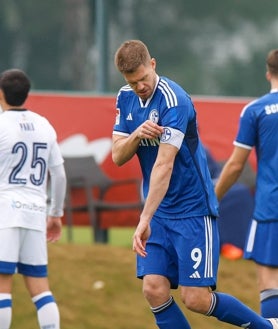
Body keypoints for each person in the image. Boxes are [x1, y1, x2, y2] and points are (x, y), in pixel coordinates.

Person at [112, 39, 278, 329]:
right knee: (153, 289)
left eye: (143, 79)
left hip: (192, 211)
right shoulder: (125, 98)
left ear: (153, 65)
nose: (140, 87)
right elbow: (117, 155)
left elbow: (164, 165)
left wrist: (143, 219)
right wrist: (137, 133)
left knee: (196, 298)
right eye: (132, 81)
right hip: (159, 212)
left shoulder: (174, 100)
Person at [0, 69, 66, 329]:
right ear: (27, 94)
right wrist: (56, 214)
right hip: (36, 212)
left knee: (3, 287)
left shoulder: (1, 124)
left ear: (1, 93)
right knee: (41, 289)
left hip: (5, 213)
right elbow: (59, 175)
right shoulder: (43, 124)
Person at [215, 49, 278, 318]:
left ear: (268, 73)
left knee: (270, 284)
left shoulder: (256, 110)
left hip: (271, 208)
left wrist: (212, 197)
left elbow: (236, 165)